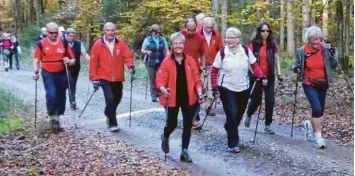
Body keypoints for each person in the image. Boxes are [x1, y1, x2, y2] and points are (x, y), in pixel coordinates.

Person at [210, 27, 266, 153]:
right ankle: (233, 144)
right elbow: (214, 71)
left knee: (238, 114)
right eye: (227, 37)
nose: (229, 40)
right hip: (226, 87)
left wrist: (261, 77)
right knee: (231, 114)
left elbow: (254, 66)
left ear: (238, 39)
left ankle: (229, 126)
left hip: (243, 88)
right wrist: (214, 87)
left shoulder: (245, 51)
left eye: (232, 37)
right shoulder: (222, 52)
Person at [156, 32, 204, 163]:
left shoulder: (190, 61)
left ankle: (185, 152)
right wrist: (163, 89)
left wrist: (200, 94)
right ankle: (165, 136)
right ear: (172, 45)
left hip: (189, 98)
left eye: (180, 43)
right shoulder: (166, 62)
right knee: (172, 124)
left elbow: (197, 80)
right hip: (171, 97)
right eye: (175, 43)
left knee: (188, 123)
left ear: (184, 45)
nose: (178, 46)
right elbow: (159, 80)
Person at [292, 26, 337, 149]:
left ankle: (309, 125)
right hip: (309, 83)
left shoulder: (325, 50)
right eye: (313, 39)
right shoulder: (302, 50)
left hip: (323, 83)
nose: (316, 42)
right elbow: (295, 63)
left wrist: (333, 53)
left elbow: (334, 65)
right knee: (316, 109)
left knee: (320, 111)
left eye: (318, 39)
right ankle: (318, 139)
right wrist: (296, 68)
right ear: (308, 39)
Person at [90, 22, 135, 132]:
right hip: (104, 76)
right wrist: (94, 78)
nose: (110, 32)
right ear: (104, 31)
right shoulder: (97, 45)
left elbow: (128, 56)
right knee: (110, 99)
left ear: (115, 31)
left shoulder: (121, 43)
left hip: (118, 76)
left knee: (118, 97)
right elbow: (93, 63)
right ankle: (112, 123)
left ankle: (108, 112)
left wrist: (131, 66)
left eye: (112, 30)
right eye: (108, 30)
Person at [32, 22, 75, 132]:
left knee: (61, 96)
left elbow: (73, 60)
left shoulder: (64, 43)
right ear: (46, 32)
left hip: (61, 72)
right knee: (51, 94)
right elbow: (36, 60)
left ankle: (57, 117)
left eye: (56, 33)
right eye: (51, 33)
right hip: (48, 72)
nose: (54, 35)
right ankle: (52, 118)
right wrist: (35, 71)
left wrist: (69, 61)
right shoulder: (40, 44)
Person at [243, 21, 283, 134]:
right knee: (256, 100)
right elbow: (248, 60)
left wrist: (279, 74)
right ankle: (249, 113)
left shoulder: (272, 44)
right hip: (256, 77)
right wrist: (255, 74)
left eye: (267, 31)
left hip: (269, 76)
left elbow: (276, 59)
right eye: (263, 30)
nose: (265, 33)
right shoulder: (253, 44)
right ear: (259, 31)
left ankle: (268, 124)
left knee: (270, 101)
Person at [180, 18, 206, 129]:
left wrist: (203, 68)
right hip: (181, 68)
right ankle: (185, 116)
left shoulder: (200, 38)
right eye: (189, 30)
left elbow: (203, 53)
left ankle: (195, 118)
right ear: (185, 27)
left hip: (195, 69)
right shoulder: (179, 36)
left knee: (196, 93)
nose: (191, 32)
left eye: (193, 30)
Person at [197, 16, 223, 116]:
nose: (209, 29)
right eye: (207, 27)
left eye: (211, 27)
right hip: (200, 65)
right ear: (203, 25)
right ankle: (197, 106)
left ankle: (208, 107)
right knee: (201, 85)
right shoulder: (198, 35)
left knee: (211, 87)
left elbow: (221, 50)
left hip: (213, 65)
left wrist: (219, 62)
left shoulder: (217, 35)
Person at [141, 24, 170, 102]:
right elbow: (142, 50)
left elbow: (166, 49)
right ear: (152, 32)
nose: (157, 34)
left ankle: (160, 94)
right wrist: (147, 52)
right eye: (156, 32)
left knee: (160, 78)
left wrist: (168, 56)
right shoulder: (148, 40)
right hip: (150, 62)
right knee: (152, 78)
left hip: (161, 61)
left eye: (158, 32)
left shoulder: (162, 39)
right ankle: (153, 95)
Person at [66, 28, 91, 110]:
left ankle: (72, 100)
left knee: (73, 84)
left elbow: (84, 54)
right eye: (70, 36)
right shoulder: (63, 43)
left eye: (73, 36)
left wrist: (92, 61)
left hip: (76, 67)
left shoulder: (79, 43)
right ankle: (73, 101)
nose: (72, 37)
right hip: (66, 67)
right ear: (67, 35)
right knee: (71, 83)